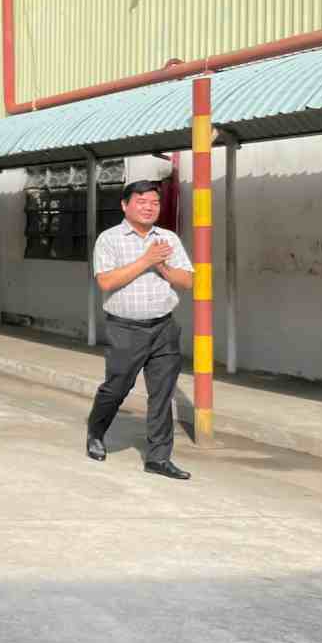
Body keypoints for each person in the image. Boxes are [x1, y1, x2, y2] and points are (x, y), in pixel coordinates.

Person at [86, 180, 195, 480]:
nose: (149, 207)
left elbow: (187, 281)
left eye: (154, 203)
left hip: (163, 327)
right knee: (117, 387)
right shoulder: (109, 239)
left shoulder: (167, 238)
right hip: (125, 328)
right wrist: (146, 260)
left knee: (162, 394)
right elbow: (106, 282)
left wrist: (163, 268)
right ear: (125, 205)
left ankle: (158, 458)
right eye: (141, 201)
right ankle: (96, 431)